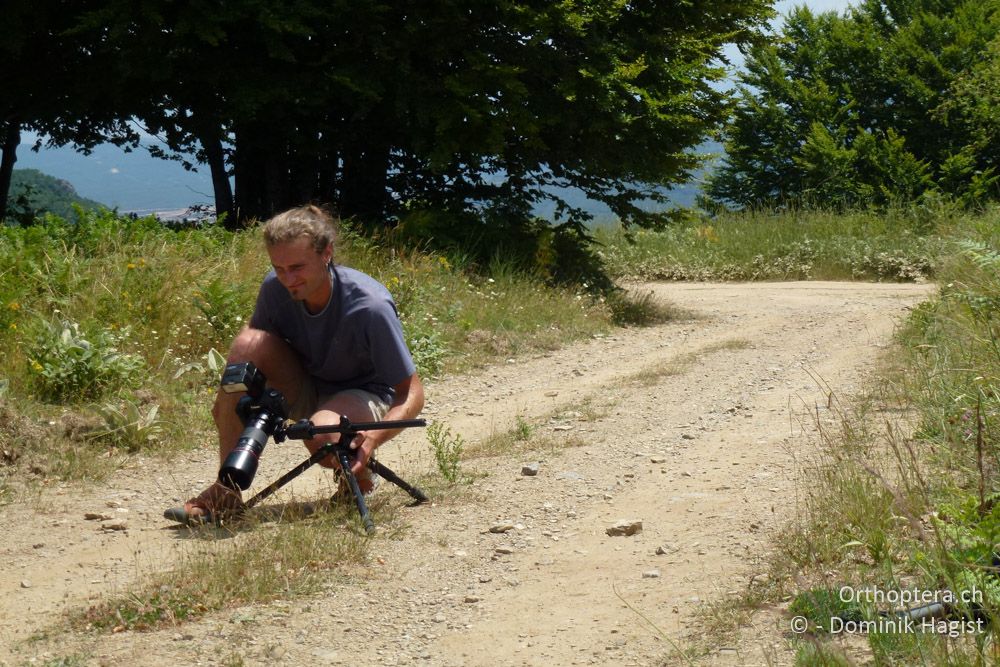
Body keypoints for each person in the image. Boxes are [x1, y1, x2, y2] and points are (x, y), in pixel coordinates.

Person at [165, 205, 424, 523]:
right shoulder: (275, 288)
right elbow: (255, 349)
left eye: (298, 267)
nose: (288, 279)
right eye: (279, 268)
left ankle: (352, 470)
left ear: (326, 253)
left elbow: (411, 393)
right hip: (305, 380)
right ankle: (227, 490)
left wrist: (372, 438)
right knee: (246, 346)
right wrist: (230, 403)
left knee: (323, 439)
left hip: (362, 391)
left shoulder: (370, 307)